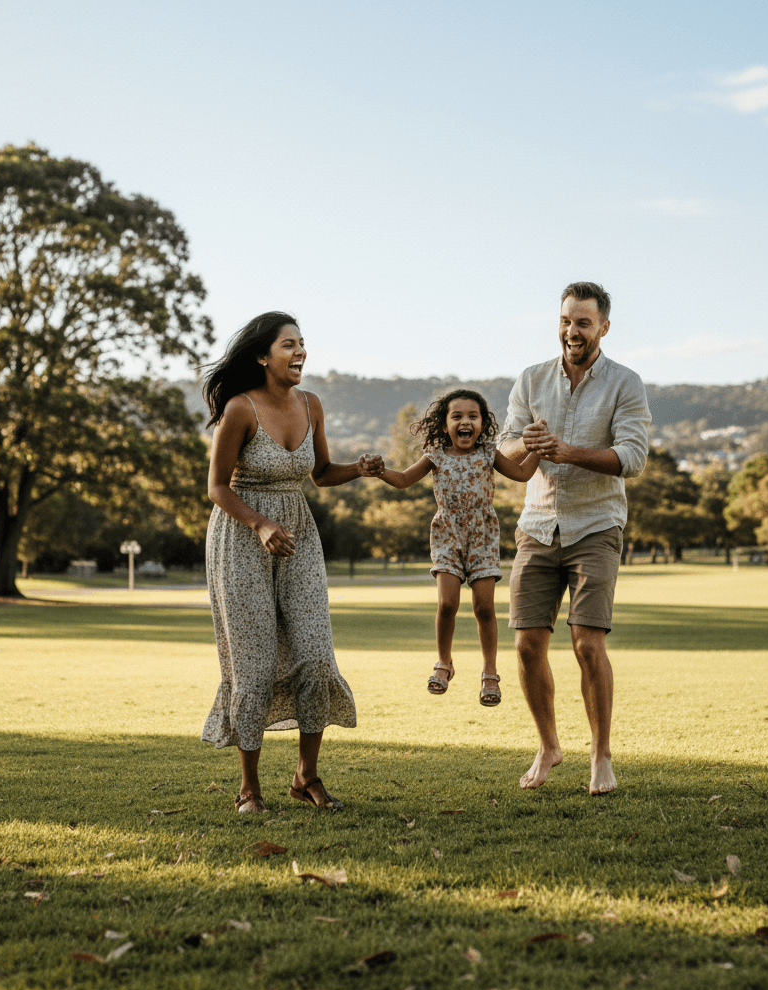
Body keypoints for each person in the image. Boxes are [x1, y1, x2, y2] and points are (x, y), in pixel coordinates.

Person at [200, 311, 382, 813]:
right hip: (241, 538)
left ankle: (306, 777)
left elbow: (320, 473)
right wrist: (260, 524)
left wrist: (358, 469)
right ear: (263, 356)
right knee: (254, 664)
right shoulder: (240, 409)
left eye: (302, 344)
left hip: (299, 535)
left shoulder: (311, 404)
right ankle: (249, 788)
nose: (300, 352)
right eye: (288, 345)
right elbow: (217, 487)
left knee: (316, 656)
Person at [498, 282, 650, 795]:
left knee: (587, 643)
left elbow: (632, 457)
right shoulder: (531, 379)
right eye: (566, 321)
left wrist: (568, 451)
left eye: (583, 323)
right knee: (526, 644)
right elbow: (505, 444)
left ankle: (601, 756)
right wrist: (526, 442)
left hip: (596, 525)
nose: (572, 331)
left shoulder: (625, 383)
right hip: (537, 526)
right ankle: (549, 746)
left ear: (603, 327)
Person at [376, 389, 541, 706]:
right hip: (447, 536)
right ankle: (444, 662)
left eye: (473, 416)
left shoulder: (489, 453)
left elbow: (521, 473)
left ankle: (489, 671)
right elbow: (404, 479)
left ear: (482, 424)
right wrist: (380, 471)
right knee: (447, 604)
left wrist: (539, 450)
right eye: (457, 416)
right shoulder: (435, 455)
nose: (465, 422)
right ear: (444, 425)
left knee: (484, 608)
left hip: (483, 536)